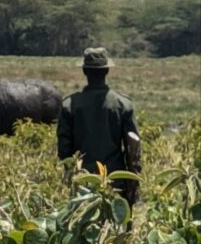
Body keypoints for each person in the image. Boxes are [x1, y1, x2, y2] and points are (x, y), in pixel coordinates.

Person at [57, 47, 141, 207]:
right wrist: (133, 184)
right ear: (107, 70)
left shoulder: (70, 105)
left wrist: (71, 178)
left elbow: (64, 151)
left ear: (84, 71)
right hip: (115, 182)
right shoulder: (123, 105)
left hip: (82, 183)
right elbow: (134, 151)